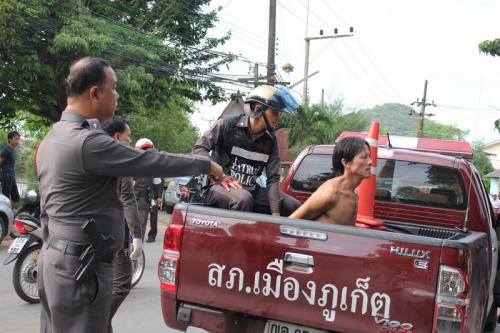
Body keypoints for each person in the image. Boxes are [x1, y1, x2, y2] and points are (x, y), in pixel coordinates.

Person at [35, 56, 223, 333]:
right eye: (113, 88)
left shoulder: (55, 135)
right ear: (95, 93)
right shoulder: (88, 143)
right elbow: (150, 161)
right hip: (80, 269)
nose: (117, 95)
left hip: (56, 260)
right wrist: (205, 164)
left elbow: (45, 208)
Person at [192, 85, 301, 216]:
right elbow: (199, 148)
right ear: (258, 109)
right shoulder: (226, 125)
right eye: (274, 112)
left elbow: (273, 179)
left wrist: (276, 214)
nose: (278, 117)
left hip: (251, 191)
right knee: (243, 199)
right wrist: (217, 175)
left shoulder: (271, 141)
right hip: (219, 187)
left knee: (292, 206)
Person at [102, 116, 142, 331]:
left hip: (91, 230)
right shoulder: (121, 159)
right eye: (129, 136)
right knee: (121, 285)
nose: (130, 140)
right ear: (118, 137)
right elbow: (127, 197)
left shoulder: (94, 153)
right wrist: (136, 235)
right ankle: (96, 323)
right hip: (115, 231)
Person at [289, 136, 372, 226]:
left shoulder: (354, 192)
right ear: (346, 162)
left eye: (369, 156)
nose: (370, 161)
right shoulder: (330, 193)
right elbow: (290, 222)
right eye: (364, 157)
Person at [133, 138, 162, 243]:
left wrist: (157, 196)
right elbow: (157, 181)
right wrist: (157, 196)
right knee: (139, 229)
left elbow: (157, 182)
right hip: (144, 198)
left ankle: (151, 236)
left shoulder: (131, 162)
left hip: (135, 198)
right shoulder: (152, 164)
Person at [0, 131, 21, 210]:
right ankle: (5, 214)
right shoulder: (6, 150)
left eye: (18, 139)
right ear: (10, 139)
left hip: (12, 176)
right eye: (16, 139)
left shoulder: (13, 150)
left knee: (15, 197)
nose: (17, 141)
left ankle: (10, 212)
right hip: (6, 175)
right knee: (6, 197)